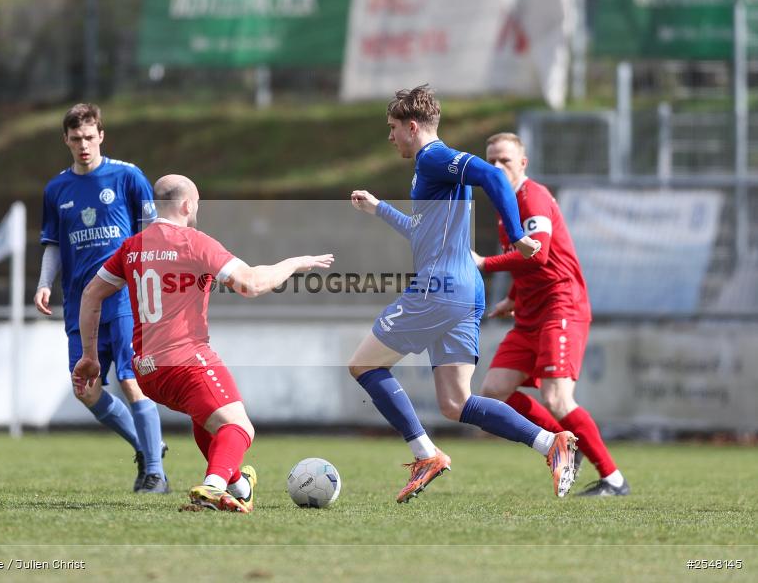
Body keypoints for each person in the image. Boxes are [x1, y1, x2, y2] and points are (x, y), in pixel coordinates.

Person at [349, 85, 579, 502]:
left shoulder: (434, 156)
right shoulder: (429, 169)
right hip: (465, 289)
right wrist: (379, 208)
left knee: (363, 365)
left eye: (393, 128)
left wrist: (513, 234)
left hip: (439, 288)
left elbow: (492, 176)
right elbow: (422, 231)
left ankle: (425, 454)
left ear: (412, 126)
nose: (390, 137)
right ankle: (552, 444)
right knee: (456, 403)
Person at [73, 174, 334, 512]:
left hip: (149, 373)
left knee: (207, 419)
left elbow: (91, 293)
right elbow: (250, 284)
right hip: (186, 359)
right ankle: (212, 486)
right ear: (188, 205)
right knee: (239, 427)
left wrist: (89, 355)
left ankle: (238, 485)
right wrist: (295, 263)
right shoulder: (194, 242)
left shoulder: (132, 245)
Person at [472, 132, 630, 497]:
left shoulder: (533, 198)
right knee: (494, 391)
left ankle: (613, 479)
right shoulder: (506, 202)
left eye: (505, 160)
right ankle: (561, 443)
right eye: (491, 161)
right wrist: (512, 296)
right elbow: (533, 263)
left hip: (561, 306)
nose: (497, 166)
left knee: (558, 399)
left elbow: (539, 254)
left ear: (522, 163)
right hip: (529, 311)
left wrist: (484, 263)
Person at [35, 103, 168, 493]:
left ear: (101, 136)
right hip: (79, 305)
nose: (83, 145)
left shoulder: (128, 177)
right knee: (86, 389)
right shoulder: (56, 189)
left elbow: (154, 233)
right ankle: (149, 447)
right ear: (66, 140)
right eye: (75, 139)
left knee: (131, 379)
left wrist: (154, 283)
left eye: (89, 137)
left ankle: (155, 474)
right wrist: (44, 283)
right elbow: (54, 245)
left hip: (125, 298)